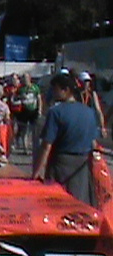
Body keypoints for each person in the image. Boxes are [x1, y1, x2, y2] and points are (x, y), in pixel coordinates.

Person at [32, 74, 98, 206]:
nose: (53, 92)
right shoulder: (89, 112)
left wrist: (37, 171)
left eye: (55, 89)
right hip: (82, 165)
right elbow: (94, 143)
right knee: (79, 204)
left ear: (66, 90)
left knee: (57, 205)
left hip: (60, 164)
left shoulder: (55, 112)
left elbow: (46, 146)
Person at [14, 73, 42, 154]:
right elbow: (15, 98)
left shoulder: (35, 87)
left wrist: (39, 109)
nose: (25, 80)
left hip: (33, 111)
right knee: (24, 130)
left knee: (34, 130)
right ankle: (25, 149)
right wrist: (20, 97)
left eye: (26, 78)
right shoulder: (20, 88)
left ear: (29, 78)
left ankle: (34, 148)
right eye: (23, 78)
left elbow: (39, 99)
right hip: (23, 111)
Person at [78, 71, 107, 138]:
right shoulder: (76, 94)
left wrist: (102, 127)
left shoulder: (92, 94)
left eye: (88, 81)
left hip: (89, 121)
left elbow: (98, 111)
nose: (86, 83)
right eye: (85, 81)